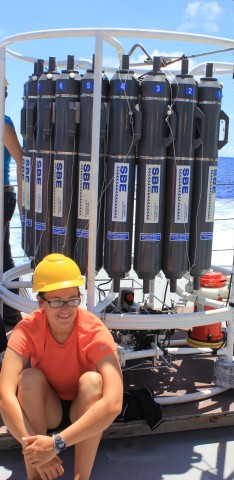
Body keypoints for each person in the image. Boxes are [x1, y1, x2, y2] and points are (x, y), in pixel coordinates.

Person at [0, 253, 123, 480]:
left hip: (83, 412)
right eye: (56, 301)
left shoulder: (95, 332)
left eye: (72, 300)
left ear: (79, 297)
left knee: (93, 382)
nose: (65, 308)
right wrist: (37, 452)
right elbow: (4, 396)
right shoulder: (27, 330)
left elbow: (114, 403)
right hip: (49, 411)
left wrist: (56, 444)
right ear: (40, 302)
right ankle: (36, 474)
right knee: (28, 379)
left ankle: (80, 477)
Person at [3, 79, 23, 324]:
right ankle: (11, 311)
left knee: (3, 256)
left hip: (2, 194)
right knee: (4, 254)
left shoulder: (4, 123)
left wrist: (23, 201)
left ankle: (11, 312)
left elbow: (20, 159)